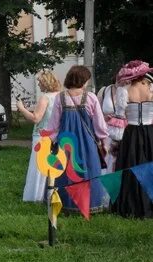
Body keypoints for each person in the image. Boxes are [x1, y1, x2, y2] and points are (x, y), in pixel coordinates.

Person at [45, 64, 110, 213]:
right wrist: (103, 141)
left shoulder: (60, 97)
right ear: (83, 80)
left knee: (66, 172)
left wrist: (52, 141)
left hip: (65, 142)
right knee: (89, 171)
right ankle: (89, 205)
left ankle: (66, 205)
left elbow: (53, 124)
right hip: (87, 143)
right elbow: (99, 124)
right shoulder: (91, 97)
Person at [113, 60, 153, 219]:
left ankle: (131, 205)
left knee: (131, 166)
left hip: (131, 134)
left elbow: (119, 116)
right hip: (150, 132)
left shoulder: (124, 91)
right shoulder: (151, 89)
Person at [17, 71, 61, 202]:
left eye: (40, 82)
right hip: (55, 135)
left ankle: (35, 196)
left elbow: (36, 118)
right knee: (52, 166)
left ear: (45, 83)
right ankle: (51, 194)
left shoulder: (45, 97)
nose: (38, 84)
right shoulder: (60, 96)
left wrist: (21, 108)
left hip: (41, 135)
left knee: (38, 167)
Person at [97, 74, 128, 173]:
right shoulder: (105, 90)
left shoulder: (129, 90)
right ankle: (105, 186)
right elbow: (96, 112)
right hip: (106, 132)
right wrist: (103, 117)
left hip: (124, 131)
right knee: (107, 159)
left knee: (121, 159)